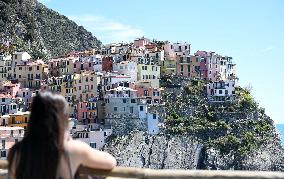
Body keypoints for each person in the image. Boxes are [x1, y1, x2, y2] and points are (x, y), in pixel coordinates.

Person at [8, 92, 117, 179]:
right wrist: (68, 138)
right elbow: (111, 162)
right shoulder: (71, 149)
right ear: (62, 118)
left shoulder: (17, 151)